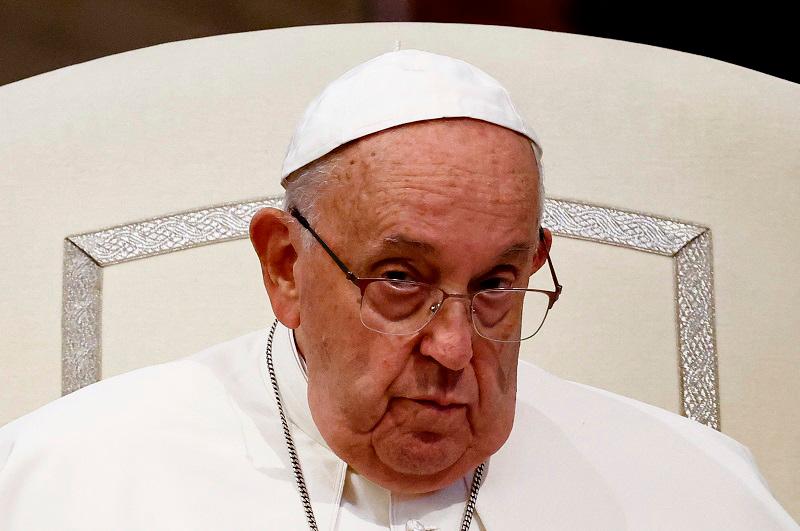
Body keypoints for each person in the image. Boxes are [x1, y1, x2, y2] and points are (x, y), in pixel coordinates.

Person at [0, 50, 796, 530]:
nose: (453, 349)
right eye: (399, 280)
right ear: (285, 267)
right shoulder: (66, 481)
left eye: (495, 284)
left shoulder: (693, 490)